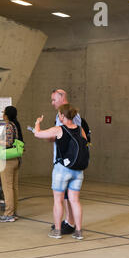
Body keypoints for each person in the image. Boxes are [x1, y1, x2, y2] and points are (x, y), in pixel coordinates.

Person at [34, 104, 86, 240]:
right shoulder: (81, 130)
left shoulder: (59, 129)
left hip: (62, 169)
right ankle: (78, 232)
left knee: (58, 200)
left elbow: (37, 134)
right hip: (78, 170)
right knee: (75, 201)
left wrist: (37, 123)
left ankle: (57, 231)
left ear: (62, 116)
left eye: (59, 115)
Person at [49, 89, 82, 234]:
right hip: (64, 161)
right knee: (69, 197)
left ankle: (70, 223)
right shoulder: (60, 115)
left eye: (54, 100)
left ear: (62, 98)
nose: (52, 103)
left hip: (67, 163)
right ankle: (69, 221)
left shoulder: (71, 116)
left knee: (67, 197)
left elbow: (75, 138)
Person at [0, 106, 24, 223]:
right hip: (15, 159)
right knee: (14, 187)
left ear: (6, 115)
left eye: (3, 112)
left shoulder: (8, 126)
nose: (2, 113)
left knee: (7, 187)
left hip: (7, 160)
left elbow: (8, 143)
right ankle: (14, 212)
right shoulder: (16, 125)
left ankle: (8, 214)